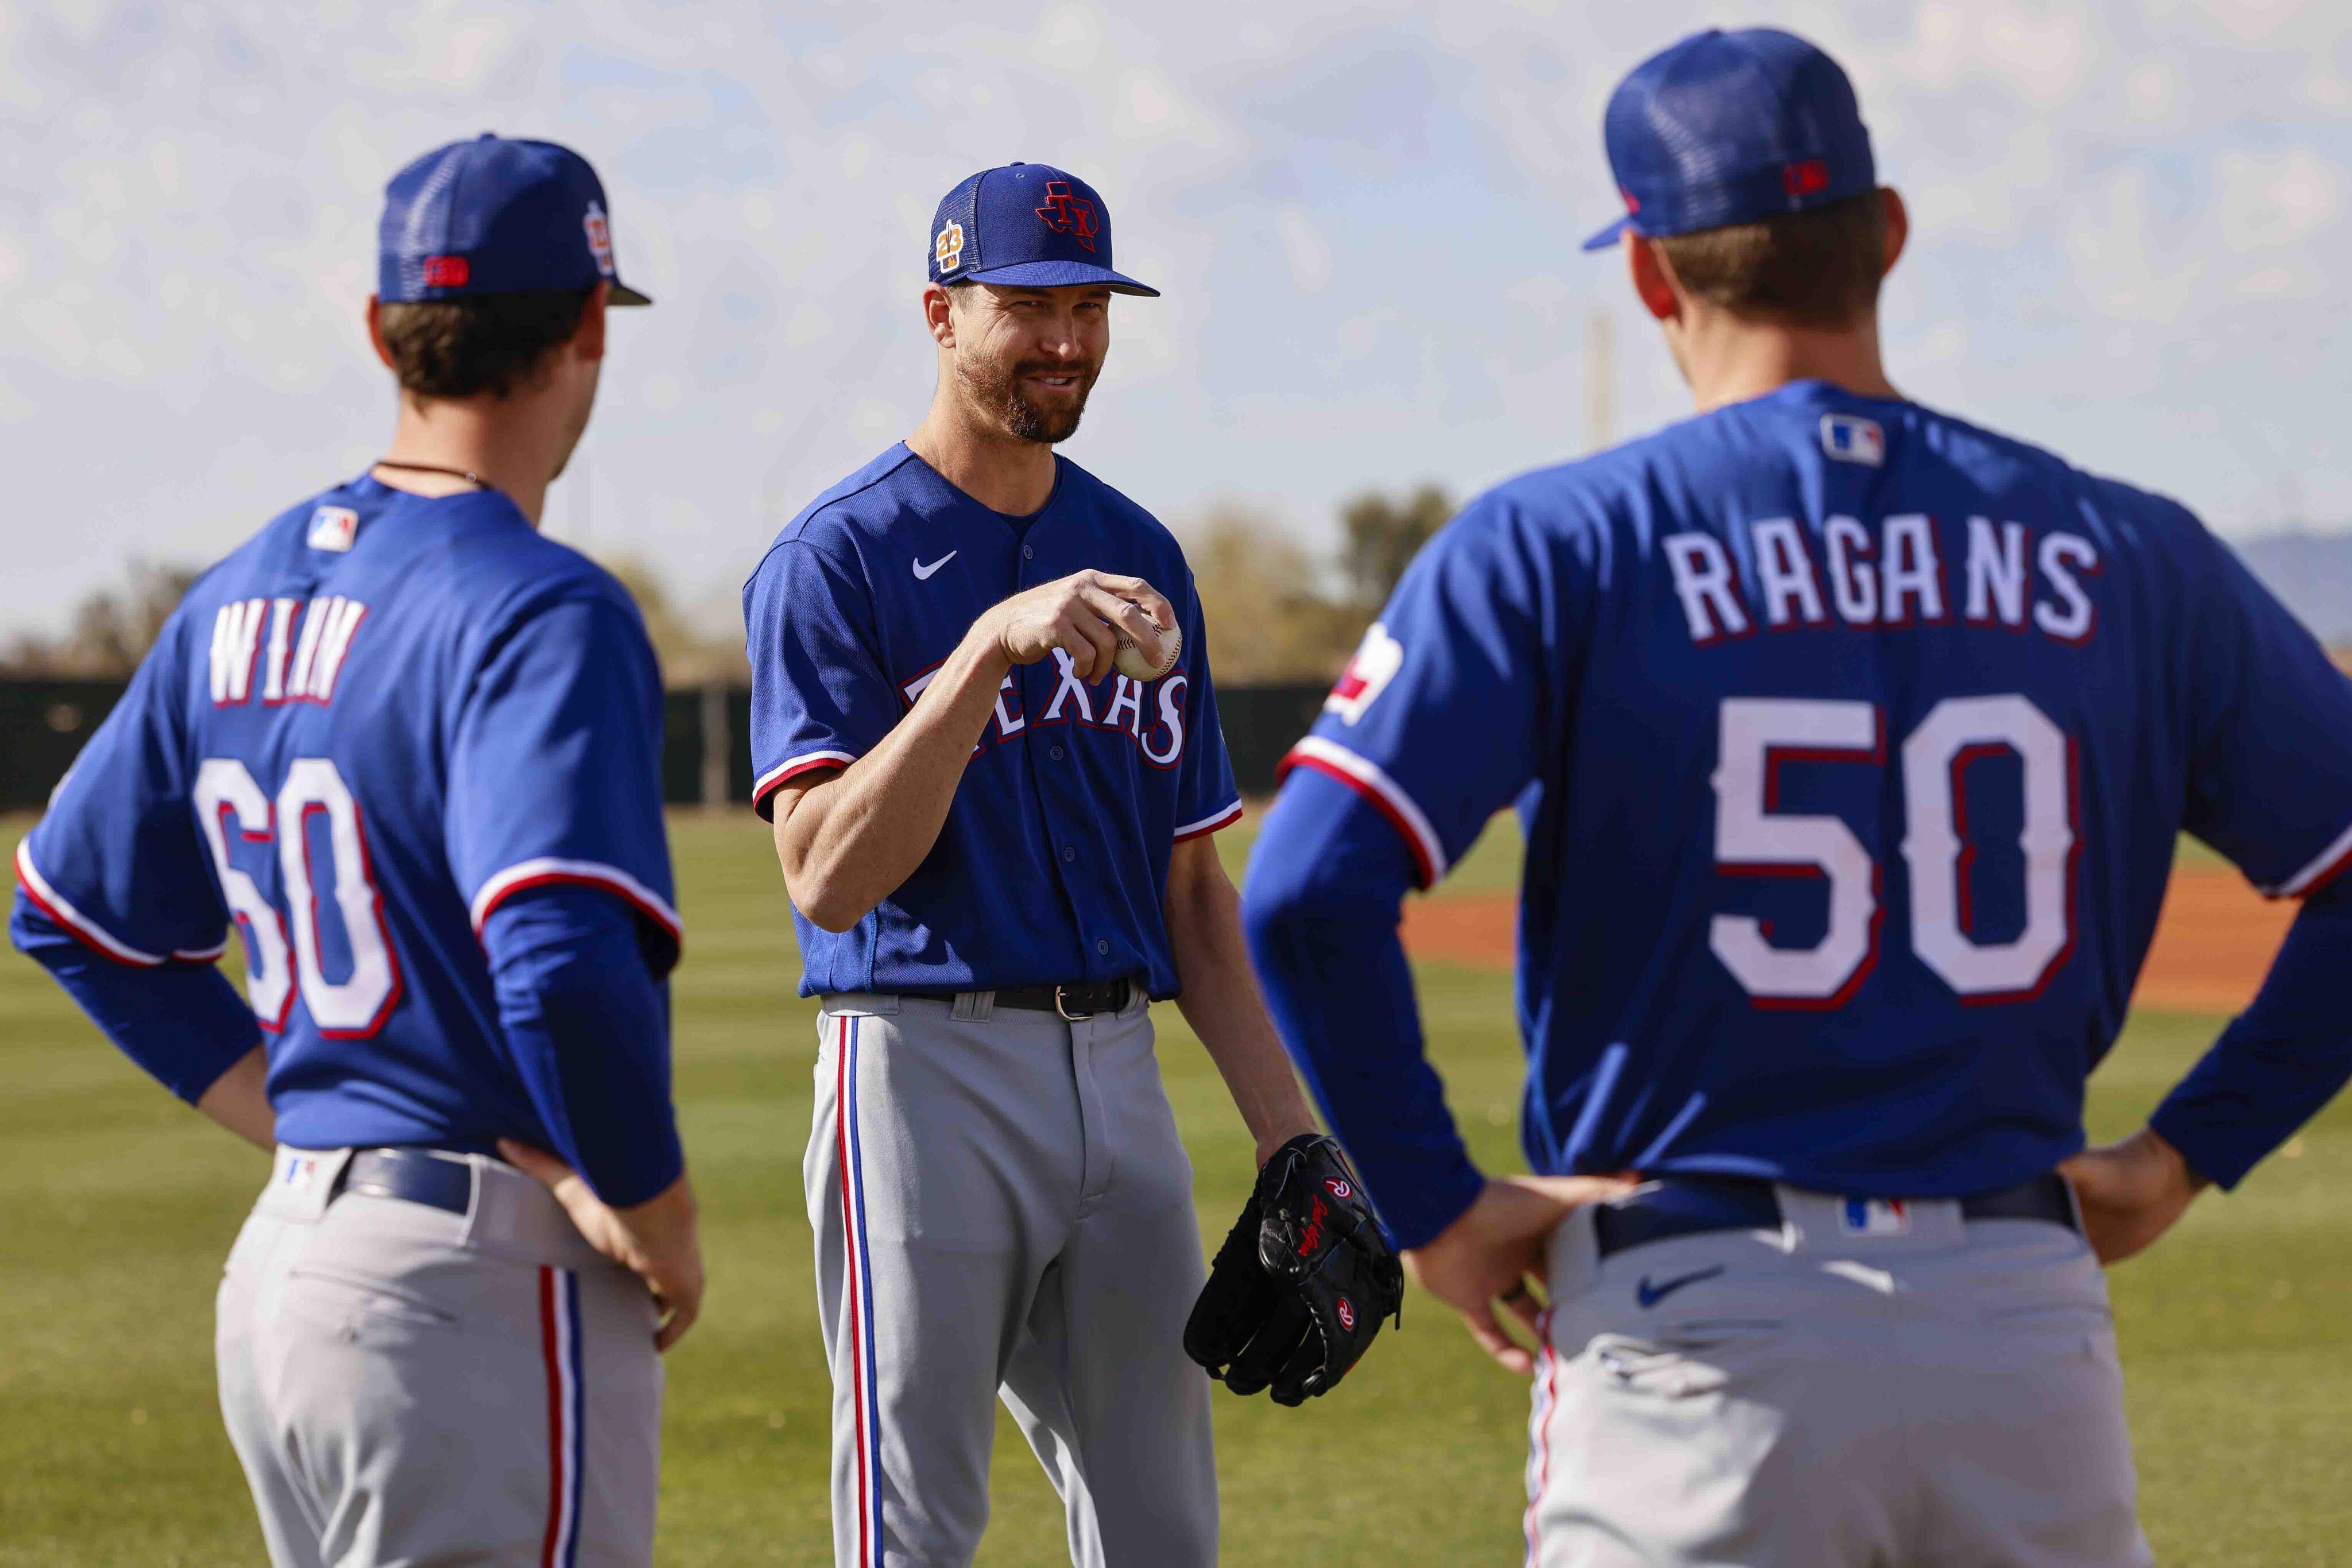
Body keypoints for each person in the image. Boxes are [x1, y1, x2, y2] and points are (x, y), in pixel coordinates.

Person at [1240, 26, 2352, 1567]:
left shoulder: (1561, 541)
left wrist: (1433, 1205)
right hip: (2021, 1321)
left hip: (1697, 1324)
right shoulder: (2130, 548)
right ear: (1886, 238)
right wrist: (2184, 1151)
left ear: (1649, 274)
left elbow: (1303, 888)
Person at [10, 134, 703, 1568]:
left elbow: (70, 913)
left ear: (382, 327)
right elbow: (564, 958)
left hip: (285, 1278)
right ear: (586, 325)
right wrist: (652, 1205)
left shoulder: (239, 590)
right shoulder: (537, 606)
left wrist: (315, 1121)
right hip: (474, 1288)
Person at [742, 162, 1358, 1568]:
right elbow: (828, 876)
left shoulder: (1136, 552)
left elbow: (1192, 887)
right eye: (1026, 307)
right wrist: (986, 649)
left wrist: (1288, 1132)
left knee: (1162, 1531)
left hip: (1119, 1074)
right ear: (940, 315)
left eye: (1088, 304)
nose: (1066, 339)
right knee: (913, 1531)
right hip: (920, 1070)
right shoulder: (835, 559)